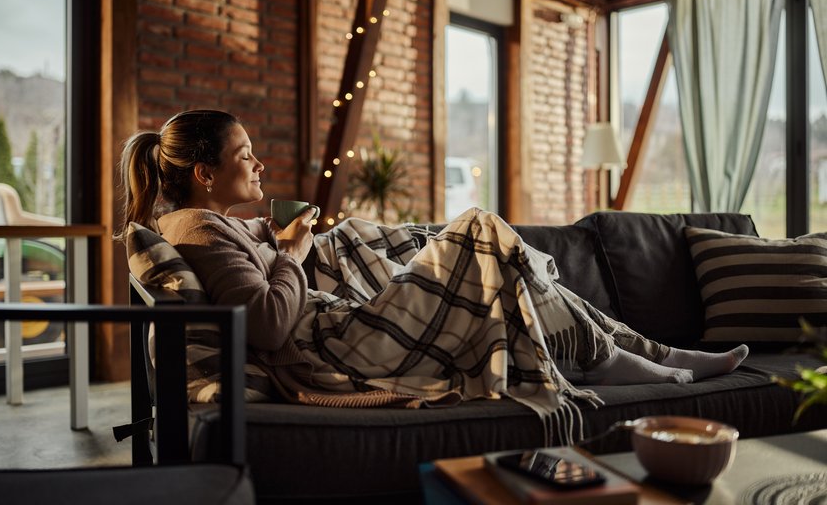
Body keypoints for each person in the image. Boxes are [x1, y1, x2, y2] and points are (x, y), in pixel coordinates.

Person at [117, 109, 748, 439]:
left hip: (340, 331)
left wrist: (301, 243)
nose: (258, 164)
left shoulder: (213, 225)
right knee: (481, 229)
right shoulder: (196, 229)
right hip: (332, 351)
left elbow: (262, 269)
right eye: (244, 156)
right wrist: (291, 252)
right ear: (204, 173)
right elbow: (268, 324)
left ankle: (648, 354)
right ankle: (632, 359)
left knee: (482, 257)